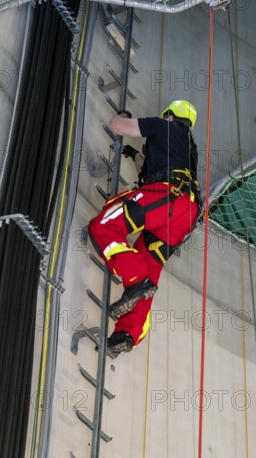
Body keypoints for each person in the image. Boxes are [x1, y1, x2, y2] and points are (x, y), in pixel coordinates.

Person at [89, 100, 201, 357]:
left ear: (170, 116)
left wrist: (123, 116)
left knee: (104, 226)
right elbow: (153, 168)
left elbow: (118, 126)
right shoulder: (187, 148)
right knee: (151, 264)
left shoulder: (164, 127)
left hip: (167, 197)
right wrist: (136, 155)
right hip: (183, 215)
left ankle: (137, 279)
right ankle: (127, 335)